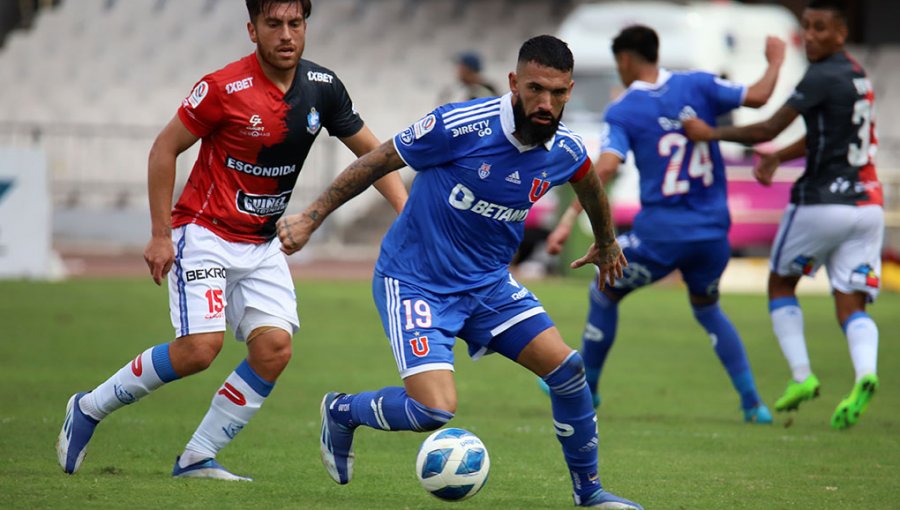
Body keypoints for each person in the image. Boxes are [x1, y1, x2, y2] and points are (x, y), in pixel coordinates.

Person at [277, 35, 642, 509]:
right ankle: (343, 410)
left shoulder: (565, 149)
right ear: (514, 83)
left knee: (569, 372)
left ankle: (589, 494)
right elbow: (377, 160)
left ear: (569, 91)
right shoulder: (460, 125)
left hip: (488, 285)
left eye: (557, 93)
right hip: (415, 280)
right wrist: (311, 216)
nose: (545, 103)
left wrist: (607, 240)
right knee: (433, 410)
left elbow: (589, 182)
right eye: (535, 89)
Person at [55, 0, 407, 480]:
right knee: (200, 348)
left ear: (306, 27)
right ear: (252, 29)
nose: (286, 34)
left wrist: (409, 216)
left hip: (262, 243)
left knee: (274, 350)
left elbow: (377, 156)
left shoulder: (323, 88)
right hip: (203, 230)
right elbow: (164, 148)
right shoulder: (222, 88)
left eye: (295, 23)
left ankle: (197, 458)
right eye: (274, 24)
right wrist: (160, 235)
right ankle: (89, 408)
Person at [541, 25, 786, 423]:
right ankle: (752, 403)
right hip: (712, 234)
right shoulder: (700, 85)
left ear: (624, 60)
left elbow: (604, 167)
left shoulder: (624, 109)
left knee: (604, 290)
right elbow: (759, 96)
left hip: (661, 235)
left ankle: (591, 389)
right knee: (708, 309)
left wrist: (569, 219)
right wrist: (775, 61)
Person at [684, 0, 883, 430]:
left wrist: (710, 133)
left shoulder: (820, 75)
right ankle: (865, 373)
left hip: (821, 203)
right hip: (867, 204)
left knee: (780, 283)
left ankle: (801, 376)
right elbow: (827, 137)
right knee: (851, 302)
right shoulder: (856, 75)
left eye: (820, 28)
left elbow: (765, 128)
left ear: (841, 34)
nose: (810, 36)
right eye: (807, 27)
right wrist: (779, 157)